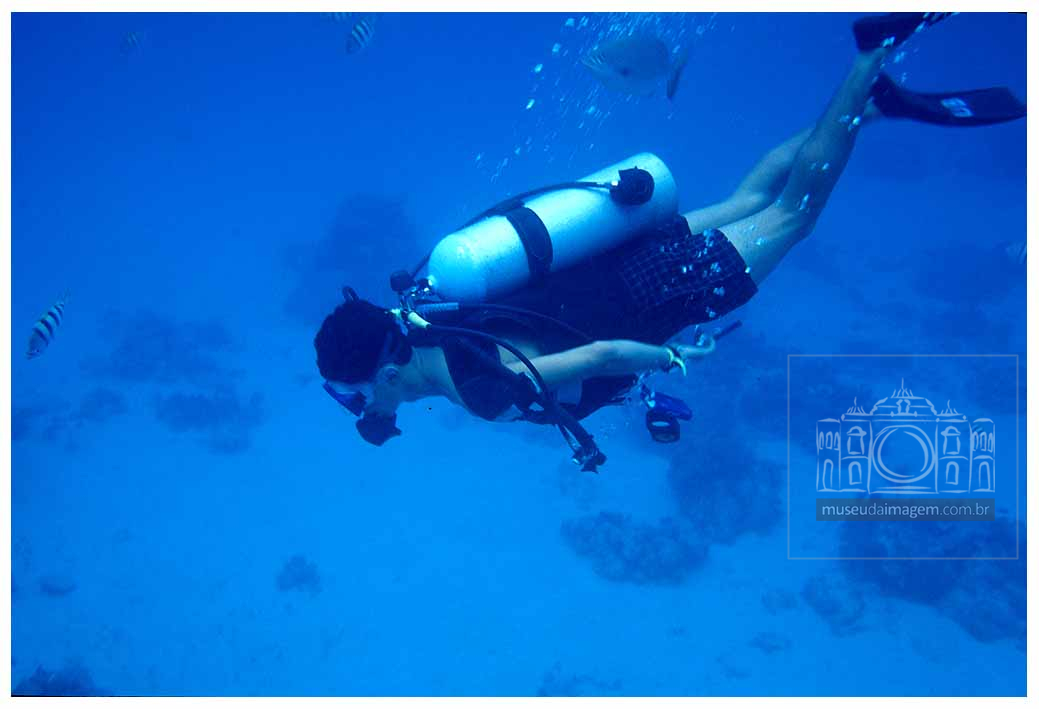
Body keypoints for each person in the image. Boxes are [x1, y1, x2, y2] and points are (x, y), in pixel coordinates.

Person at [313, 13, 1025, 469]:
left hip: (655, 292)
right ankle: (865, 110)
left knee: (792, 214)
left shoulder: (478, 388)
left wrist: (673, 357)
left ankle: (869, 61)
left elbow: (602, 356)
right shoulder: (426, 305)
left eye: (353, 397)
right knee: (749, 198)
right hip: (618, 258)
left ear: (382, 373)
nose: (362, 410)